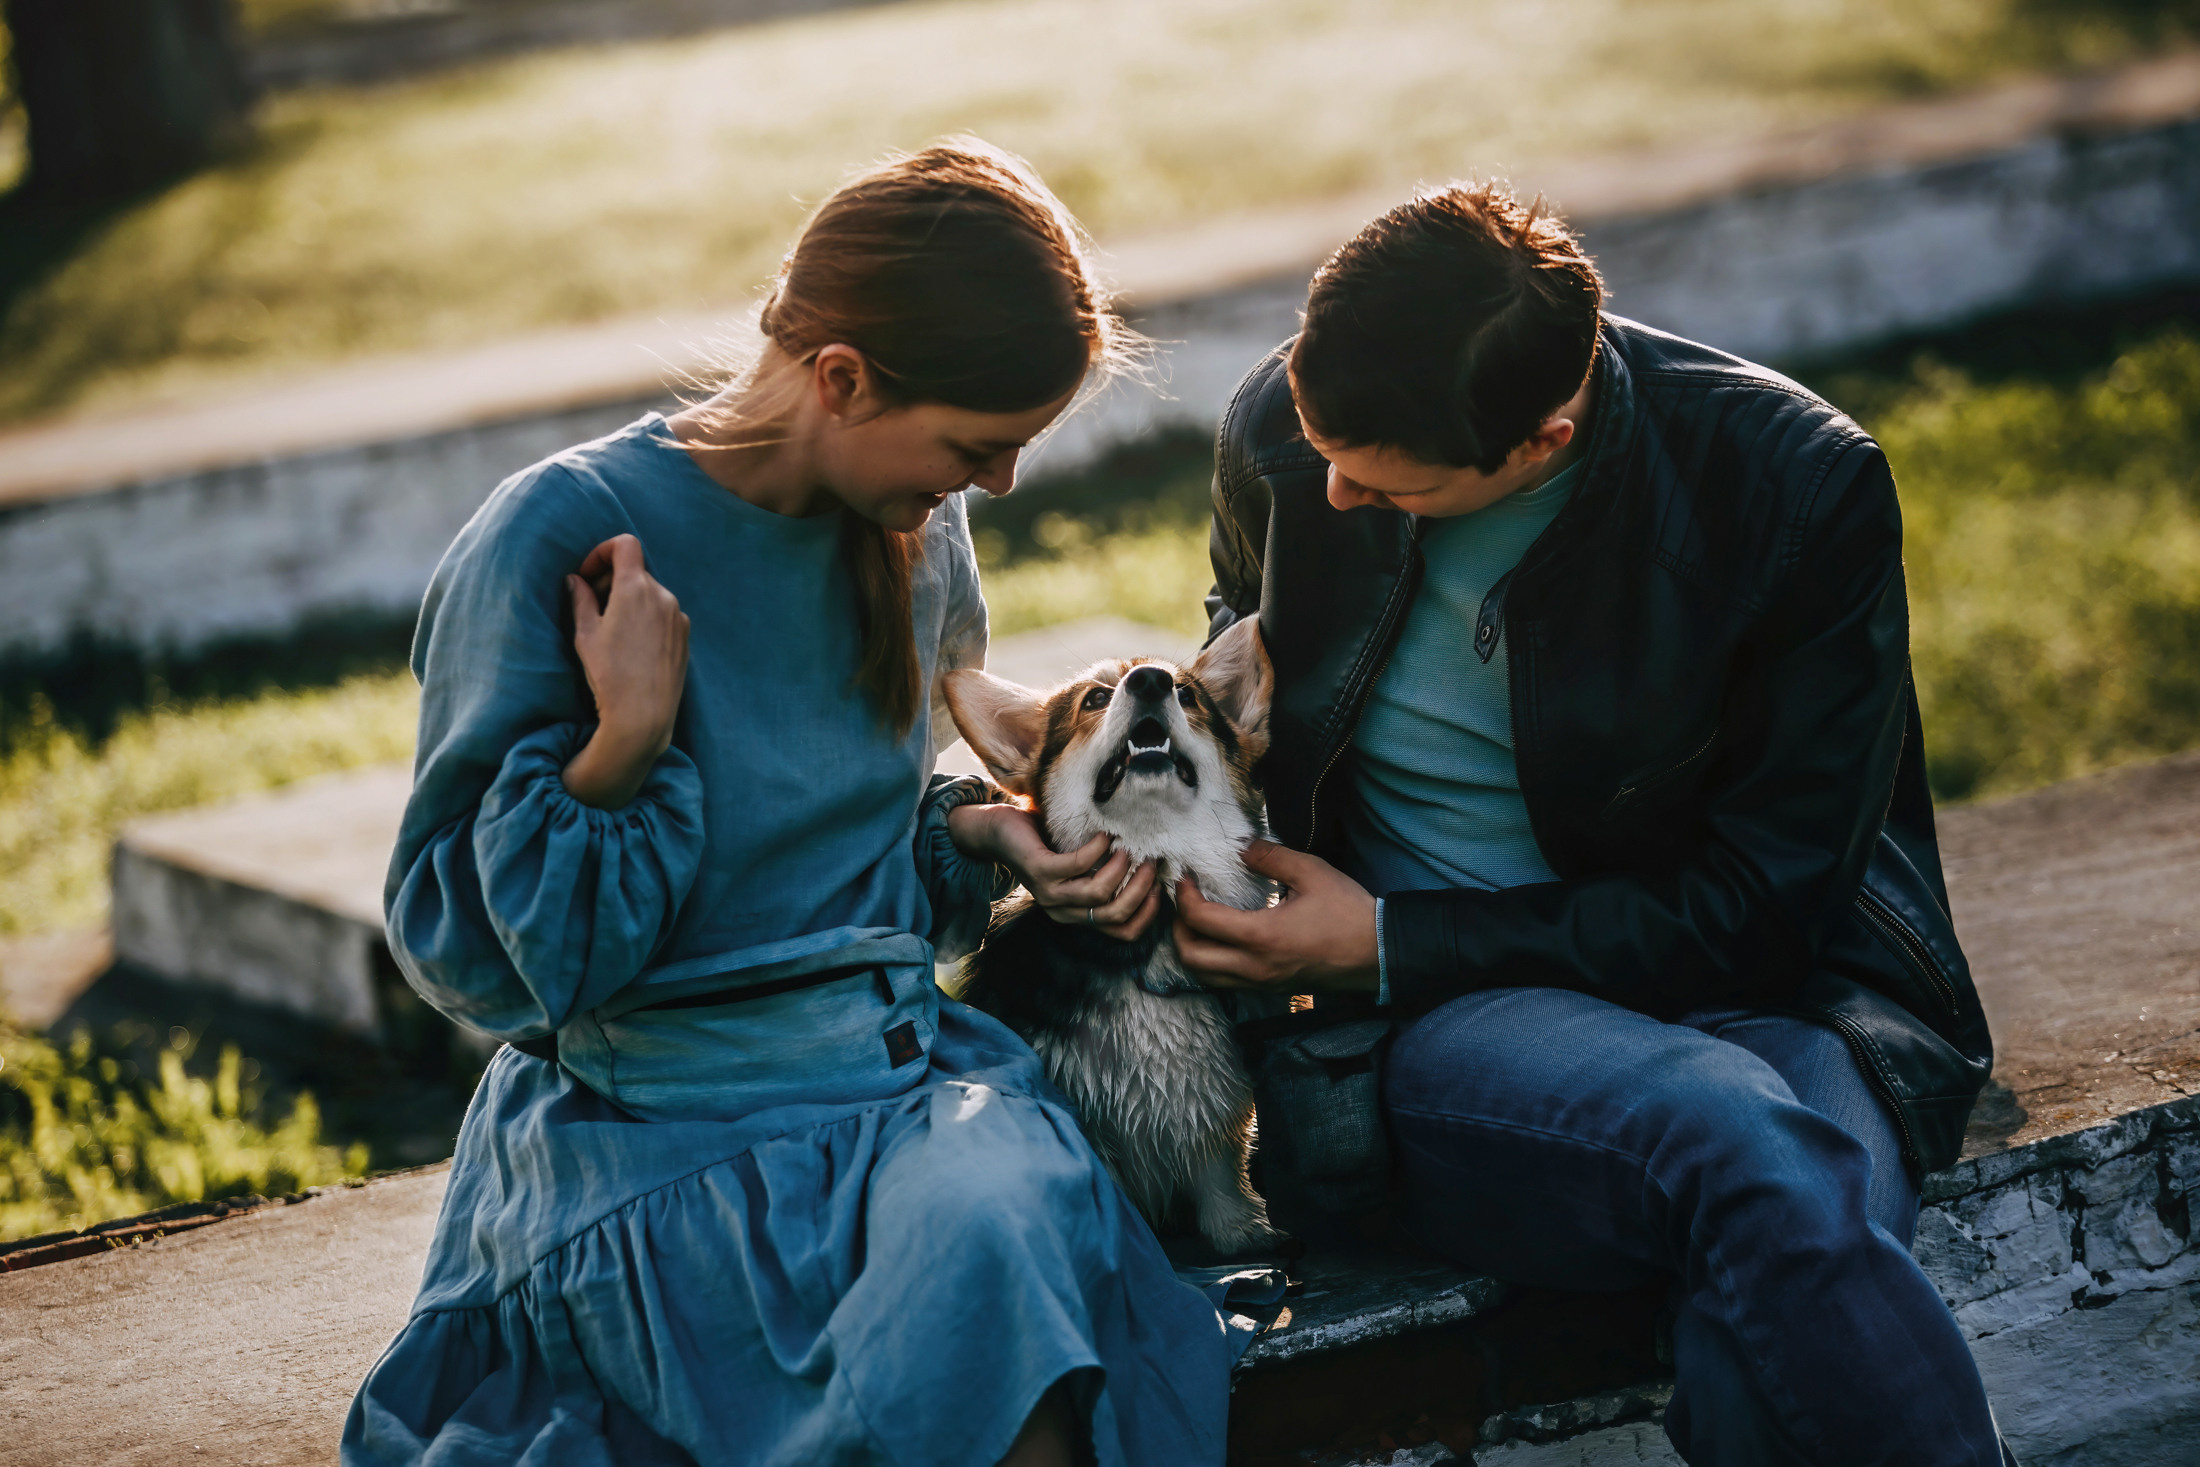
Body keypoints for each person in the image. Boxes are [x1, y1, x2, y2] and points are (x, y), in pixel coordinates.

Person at [344, 140, 1225, 1467]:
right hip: (658, 1140)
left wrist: (984, 835)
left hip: (903, 1098)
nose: (998, 485)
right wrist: (623, 746)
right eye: (980, 446)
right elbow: (473, 961)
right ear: (843, 377)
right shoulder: (558, 533)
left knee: (995, 1230)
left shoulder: (913, 531)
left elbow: (846, 851)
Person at [1171, 182, 2011, 1464]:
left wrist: (1394, 937)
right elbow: (1240, 693)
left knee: (1769, 1220)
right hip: (1451, 1026)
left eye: (1383, 485)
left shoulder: (1795, 483)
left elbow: (1767, 909)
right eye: (1318, 443)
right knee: (1743, 1147)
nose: (1328, 494)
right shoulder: (1278, 440)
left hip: (1773, 994)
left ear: (1542, 439)